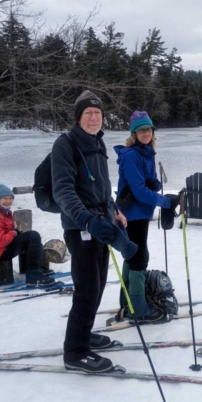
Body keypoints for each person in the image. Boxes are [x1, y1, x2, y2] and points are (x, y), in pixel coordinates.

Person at [51, 90, 132, 374]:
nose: (94, 117)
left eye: (98, 113)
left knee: (97, 284)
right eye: (88, 113)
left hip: (101, 223)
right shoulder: (65, 145)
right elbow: (63, 190)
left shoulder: (98, 143)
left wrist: (115, 210)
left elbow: (101, 188)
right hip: (80, 226)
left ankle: (84, 334)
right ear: (78, 117)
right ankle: (75, 352)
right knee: (87, 288)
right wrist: (87, 221)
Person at [114, 111, 179, 323]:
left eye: (148, 129)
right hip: (131, 214)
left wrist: (156, 184)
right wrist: (165, 202)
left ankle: (128, 302)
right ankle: (139, 310)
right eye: (141, 130)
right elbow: (140, 191)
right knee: (139, 258)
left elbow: (148, 182)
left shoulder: (147, 152)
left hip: (141, 213)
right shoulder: (132, 156)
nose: (145, 133)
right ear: (134, 133)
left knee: (133, 255)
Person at [0, 183, 56, 286]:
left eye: (10, 198)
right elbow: (1, 241)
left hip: (3, 248)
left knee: (32, 239)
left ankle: (33, 270)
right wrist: (14, 233)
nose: (8, 201)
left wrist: (15, 233)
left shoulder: (4, 212)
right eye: (5, 198)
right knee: (33, 236)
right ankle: (33, 276)